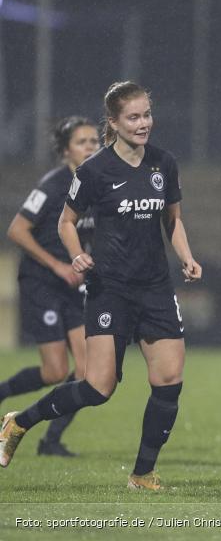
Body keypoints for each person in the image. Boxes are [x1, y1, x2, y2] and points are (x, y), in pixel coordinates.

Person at [0, 81, 202, 492]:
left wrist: (186, 255)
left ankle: (142, 473)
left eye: (147, 114)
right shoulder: (94, 170)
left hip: (156, 288)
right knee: (98, 387)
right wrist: (75, 255)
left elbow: (173, 219)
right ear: (113, 122)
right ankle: (19, 421)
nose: (143, 123)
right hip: (109, 287)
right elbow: (65, 222)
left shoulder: (164, 163)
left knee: (169, 379)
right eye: (133, 117)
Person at [2, 116, 99, 457]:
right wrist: (58, 264)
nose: (90, 146)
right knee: (55, 370)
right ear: (65, 150)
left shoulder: (96, 184)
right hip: (42, 281)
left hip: (74, 284)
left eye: (94, 140)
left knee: (88, 371)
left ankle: (51, 441)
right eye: (82, 141)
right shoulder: (53, 184)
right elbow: (16, 230)